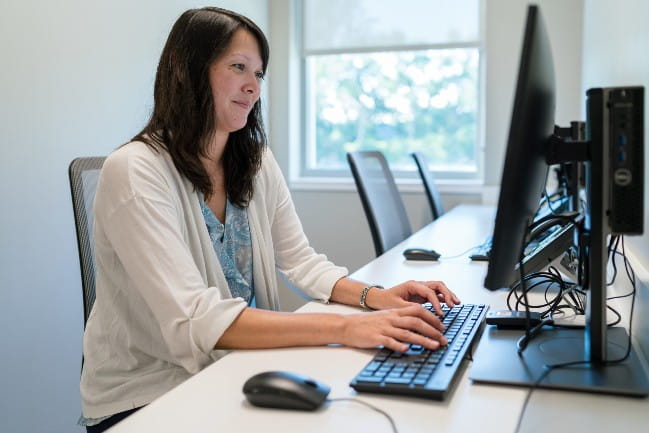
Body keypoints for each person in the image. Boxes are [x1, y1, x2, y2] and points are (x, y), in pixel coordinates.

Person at [79, 7, 460, 432]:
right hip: (150, 396)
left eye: (258, 74)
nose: (252, 87)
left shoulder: (253, 161)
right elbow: (196, 318)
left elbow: (301, 261)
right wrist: (346, 330)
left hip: (233, 370)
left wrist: (376, 296)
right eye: (237, 67)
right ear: (187, 73)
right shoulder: (135, 170)